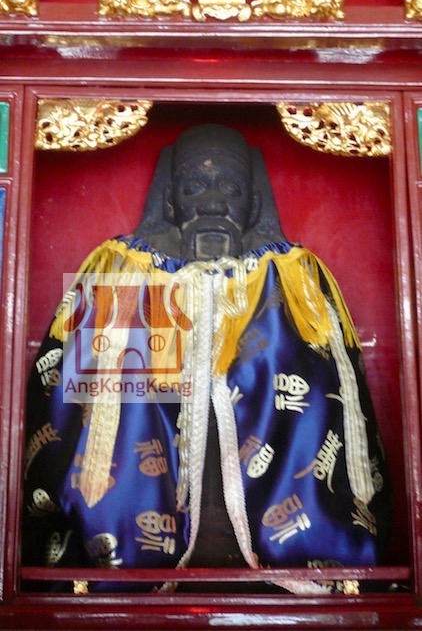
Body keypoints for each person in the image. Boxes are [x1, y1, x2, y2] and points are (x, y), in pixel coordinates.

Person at [23, 124, 391, 594]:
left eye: (231, 189)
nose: (213, 203)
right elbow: (78, 418)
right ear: (169, 200)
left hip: (278, 549)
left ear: (254, 204)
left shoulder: (291, 281)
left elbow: (332, 414)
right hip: (143, 547)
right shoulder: (129, 276)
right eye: (193, 187)